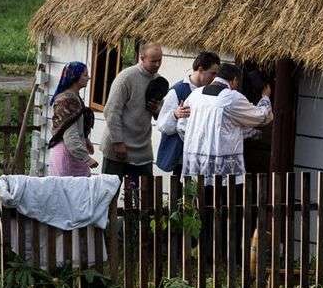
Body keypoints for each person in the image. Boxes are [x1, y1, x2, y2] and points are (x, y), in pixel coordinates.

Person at [176, 62, 272, 184]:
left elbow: (181, 126)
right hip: (222, 171)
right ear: (234, 80)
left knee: (195, 201)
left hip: (195, 166)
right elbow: (262, 117)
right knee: (220, 201)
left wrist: (197, 145)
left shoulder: (195, 94)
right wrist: (265, 97)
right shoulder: (232, 97)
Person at [100, 43, 163, 184]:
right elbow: (111, 111)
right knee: (109, 192)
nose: (157, 64)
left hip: (142, 147)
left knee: (145, 195)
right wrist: (118, 142)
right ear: (142, 58)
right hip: (118, 146)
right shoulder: (126, 78)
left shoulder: (158, 81)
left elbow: (160, 113)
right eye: (153, 61)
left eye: (160, 60)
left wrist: (156, 109)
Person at [155, 51, 220, 176]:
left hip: (202, 157)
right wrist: (175, 114)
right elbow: (162, 125)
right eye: (212, 73)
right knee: (180, 192)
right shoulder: (177, 91)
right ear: (200, 69)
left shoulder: (211, 92)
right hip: (180, 157)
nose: (215, 78)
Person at [47, 62, 96, 176]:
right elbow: (70, 135)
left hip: (73, 152)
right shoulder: (67, 101)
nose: (88, 78)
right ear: (75, 77)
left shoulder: (74, 97)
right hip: (67, 154)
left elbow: (76, 125)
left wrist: (85, 140)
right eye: (85, 75)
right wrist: (87, 158)